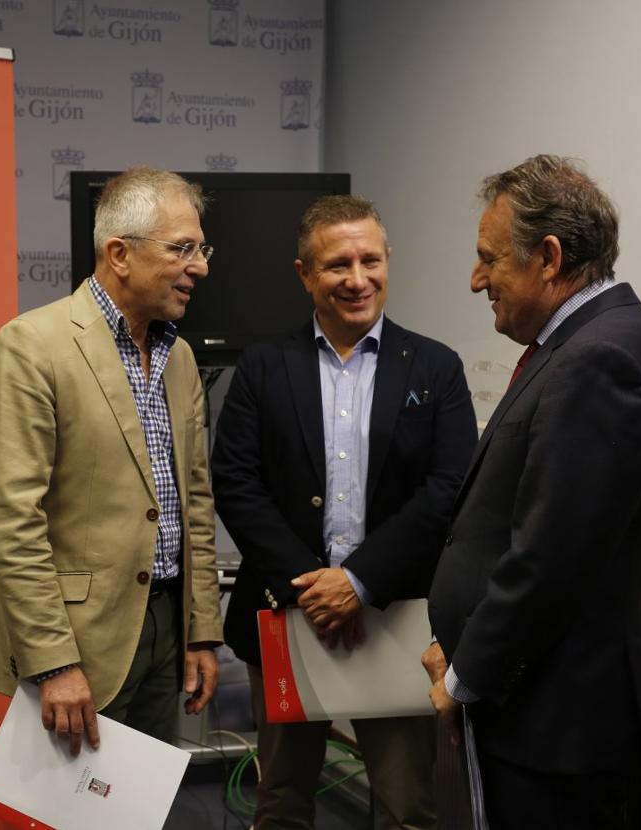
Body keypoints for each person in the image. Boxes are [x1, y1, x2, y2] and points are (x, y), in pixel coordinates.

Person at [424, 155, 641, 829]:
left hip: (555, 734)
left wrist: (465, 676)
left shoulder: (601, 360)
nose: (476, 279)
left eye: (490, 259)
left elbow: (549, 561)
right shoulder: (580, 345)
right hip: (534, 717)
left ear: (548, 257)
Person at [211, 195, 478, 829]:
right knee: (281, 802)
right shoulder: (263, 367)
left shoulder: (436, 367)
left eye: (370, 261)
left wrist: (357, 582)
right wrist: (313, 589)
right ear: (305, 273)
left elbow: (449, 488)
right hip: (287, 614)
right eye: (337, 265)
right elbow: (237, 483)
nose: (358, 279)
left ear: (388, 261)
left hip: (394, 619)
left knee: (407, 809)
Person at [0, 166, 224, 753]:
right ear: (119, 253)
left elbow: (194, 503)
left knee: (143, 799)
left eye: (201, 248)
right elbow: (12, 520)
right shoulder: (32, 346)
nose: (200, 267)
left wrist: (201, 631)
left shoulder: (180, 357)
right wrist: (54, 661)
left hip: (166, 630)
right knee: (70, 802)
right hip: (75, 642)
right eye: (182, 248)